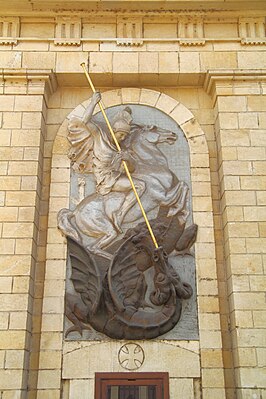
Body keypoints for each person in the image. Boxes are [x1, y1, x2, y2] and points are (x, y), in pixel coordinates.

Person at [68, 91, 146, 232]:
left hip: (115, 176)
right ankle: (119, 215)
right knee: (139, 186)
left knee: (140, 185)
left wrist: (126, 159)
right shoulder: (100, 136)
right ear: (113, 130)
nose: (122, 138)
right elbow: (85, 121)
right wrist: (93, 103)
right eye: (120, 134)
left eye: (125, 136)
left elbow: (132, 169)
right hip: (105, 179)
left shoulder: (121, 149)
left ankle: (121, 213)